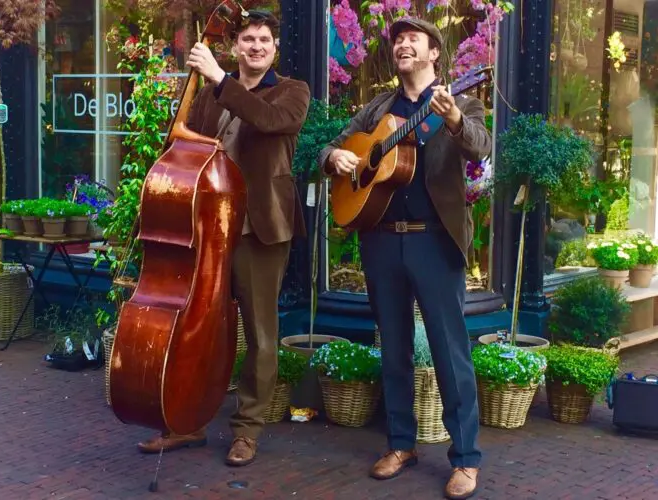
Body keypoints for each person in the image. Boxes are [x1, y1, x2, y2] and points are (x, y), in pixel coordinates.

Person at [318, 17, 491, 500]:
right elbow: (330, 149)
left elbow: (481, 145)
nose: (402, 45)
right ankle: (400, 443)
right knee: (392, 347)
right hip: (380, 239)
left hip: (435, 241)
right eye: (397, 40)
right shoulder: (377, 109)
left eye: (413, 38)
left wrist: (454, 119)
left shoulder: (461, 100)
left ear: (434, 53)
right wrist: (337, 159)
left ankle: (466, 459)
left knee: (449, 350)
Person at [135, 10, 310, 467]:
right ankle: (186, 420)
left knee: (260, 334)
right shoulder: (211, 90)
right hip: (205, 224)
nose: (255, 46)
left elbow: (269, 122)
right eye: (248, 39)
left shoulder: (292, 92)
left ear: (275, 48)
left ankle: (247, 430)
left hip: (260, 227)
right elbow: (184, 142)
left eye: (264, 40)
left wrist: (217, 77)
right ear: (235, 46)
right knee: (197, 327)